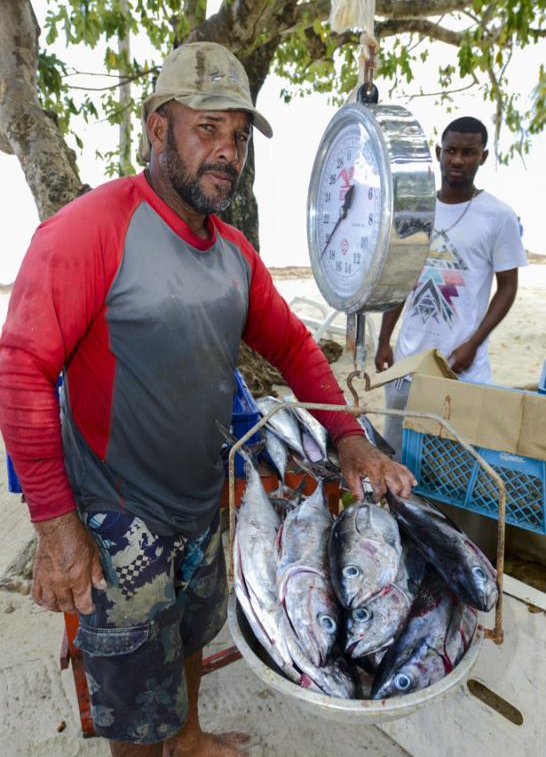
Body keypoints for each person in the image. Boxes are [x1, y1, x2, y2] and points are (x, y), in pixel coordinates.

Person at [0, 42, 414, 757]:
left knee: (193, 631)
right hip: (117, 516)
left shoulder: (232, 254)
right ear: (158, 130)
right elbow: (21, 371)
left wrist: (348, 435)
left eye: (239, 136)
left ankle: (189, 739)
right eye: (207, 130)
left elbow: (292, 346)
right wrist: (59, 531)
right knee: (132, 699)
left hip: (201, 500)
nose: (227, 152)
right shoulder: (89, 231)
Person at [374, 116, 527, 460]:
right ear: (438, 151)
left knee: (454, 465)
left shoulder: (498, 216)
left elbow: (507, 288)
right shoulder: (417, 208)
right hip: (407, 362)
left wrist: (473, 343)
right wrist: (385, 339)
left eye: (469, 152)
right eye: (451, 151)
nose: (458, 159)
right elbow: (401, 276)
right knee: (396, 457)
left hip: (462, 366)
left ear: (483, 157)